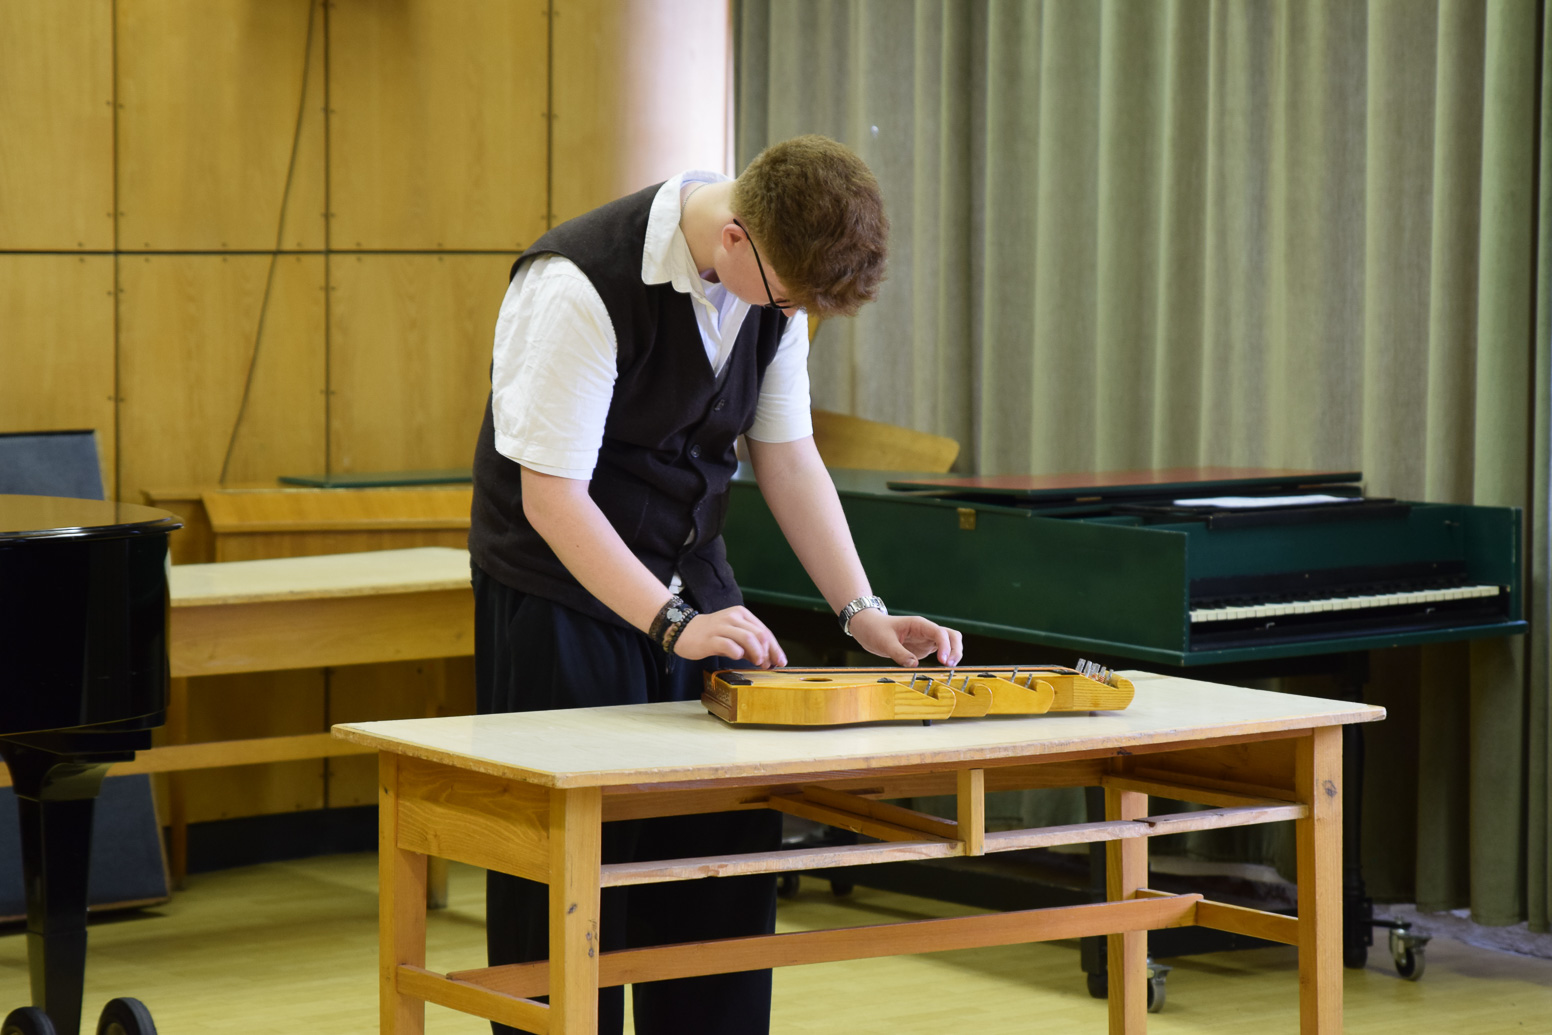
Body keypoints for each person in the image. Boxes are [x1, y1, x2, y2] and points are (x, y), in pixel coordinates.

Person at [468, 134, 964, 1035]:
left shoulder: (771, 285)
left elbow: (788, 455)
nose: (791, 315)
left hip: (691, 581)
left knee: (719, 863)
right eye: (790, 298)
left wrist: (863, 613)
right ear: (736, 236)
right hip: (559, 593)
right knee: (568, 887)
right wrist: (672, 622)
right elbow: (551, 499)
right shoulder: (579, 283)